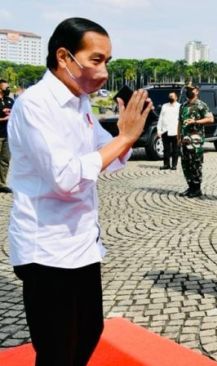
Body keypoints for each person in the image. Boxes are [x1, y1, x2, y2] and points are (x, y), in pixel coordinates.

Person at [7, 17, 151, 366]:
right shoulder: (36, 105)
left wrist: (125, 136)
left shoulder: (80, 102)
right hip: (47, 249)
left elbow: (109, 154)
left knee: (89, 332)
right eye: (96, 60)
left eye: (108, 62)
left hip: (82, 245)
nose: (103, 71)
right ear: (64, 57)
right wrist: (124, 138)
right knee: (57, 350)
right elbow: (66, 177)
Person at [178, 85, 213, 198]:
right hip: (184, 140)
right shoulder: (183, 105)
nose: (188, 92)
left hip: (196, 140)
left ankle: (197, 188)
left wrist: (195, 121)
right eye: (187, 90)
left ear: (197, 91)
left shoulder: (201, 105)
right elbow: (179, 122)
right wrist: (178, 137)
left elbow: (210, 119)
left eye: (191, 90)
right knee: (185, 164)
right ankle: (190, 186)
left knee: (195, 164)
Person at [156, 92, 180, 170]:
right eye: (169, 96)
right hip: (165, 130)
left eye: (172, 96)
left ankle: (174, 165)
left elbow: (181, 120)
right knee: (166, 149)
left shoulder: (179, 107)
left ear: (176, 98)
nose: (170, 97)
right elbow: (161, 118)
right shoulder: (164, 106)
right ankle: (166, 164)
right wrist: (159, 130)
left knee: (175, 149)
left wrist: (180, 131)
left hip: (175, 131)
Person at [0, 79, 14, 193]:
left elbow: (15, 114)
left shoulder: (9, 100)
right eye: (6, 88)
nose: (8, 90)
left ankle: (2, 184)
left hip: (7, 135)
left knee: (5, 160)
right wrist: (3, 118)